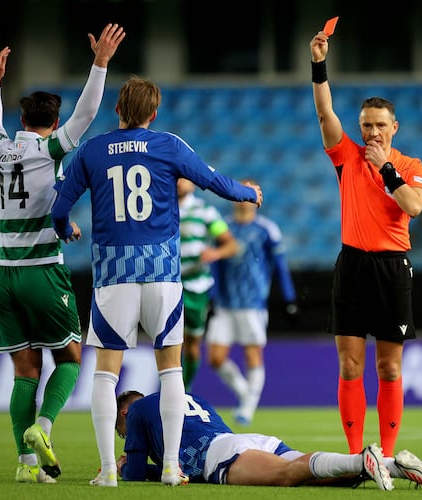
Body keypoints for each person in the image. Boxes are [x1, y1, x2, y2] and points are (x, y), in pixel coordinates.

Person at [50, 76, 264, 487]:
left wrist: (65, 230)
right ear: (153, 113)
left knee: (105, 374)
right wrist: (247, 194)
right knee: (170, 372)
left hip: (113, 277)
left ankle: (109, 471)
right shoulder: (169, 144)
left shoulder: (93, 150)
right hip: (163, 275)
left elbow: (60, 207)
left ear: (117, 109)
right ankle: (170, 466)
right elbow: (213, 181)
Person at [0, 24, 125, 484]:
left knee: (25, 370)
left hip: (1, 276)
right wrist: (99, 63)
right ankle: (42, 429)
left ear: (22, 121)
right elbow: (86, 114)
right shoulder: (51, 149)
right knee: (70, 359)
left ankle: (27, 469)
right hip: (42, 272)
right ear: (50, 121)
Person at [309, 31, 422, 459]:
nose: (373, 132)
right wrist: (319, 65)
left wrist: (386, 170)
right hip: (353, 266)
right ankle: (358, 456)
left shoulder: (410, 165)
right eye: (366, 126)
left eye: (380, 125)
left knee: (389, 366)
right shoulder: (346, 156)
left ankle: (389, 454)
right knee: (349, 365)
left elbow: (413, 206)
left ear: (394, 127)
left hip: (392, 267)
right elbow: (325, 114)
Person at [114, 390, 422, 490]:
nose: (125, 439)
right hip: (244, 440)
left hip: (219, 454)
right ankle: (396, 466)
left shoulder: (139, 410)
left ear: (124, 415)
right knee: (318, 478)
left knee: (284, 477)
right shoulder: (190, 397)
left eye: (121, 433)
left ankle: (362, 458)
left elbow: (133, 474)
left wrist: (127, 465)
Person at [206, 189, 298, 426]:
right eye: (241, 195)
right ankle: (245, 392)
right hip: (225, 303)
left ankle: (247, 408)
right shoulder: (223, 227)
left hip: (252, 303)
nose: (244, 201)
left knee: (252, 353)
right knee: (215, 357)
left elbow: (279, 264)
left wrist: (289, 297)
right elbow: (215, 265)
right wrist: (212, 294)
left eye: (250, 196)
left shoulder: (267, 229)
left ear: (257, 202)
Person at [177, 177, 239, 392]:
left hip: (196, 287)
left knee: (192, 346)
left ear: (193, 184)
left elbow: (231, 244)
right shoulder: (158, 209)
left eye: (183, 179)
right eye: (175, 178)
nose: (179, 183)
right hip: (167, 284)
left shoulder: (205, 212)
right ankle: (170, 394)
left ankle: (185, 390)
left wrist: (216, 252)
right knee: (167, 342)